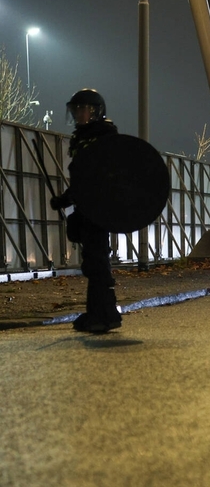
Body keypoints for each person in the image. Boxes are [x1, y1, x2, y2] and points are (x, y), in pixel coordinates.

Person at [50, 88, 122, 333]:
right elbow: (81, 178)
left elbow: (100, 176)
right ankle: (99, 312)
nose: (79, 114)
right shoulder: (83, 138)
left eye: (83, 110)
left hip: (99, 206)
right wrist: (66, 200)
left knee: (97, 260)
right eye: (76, 110)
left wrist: (71, 198)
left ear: (95, 112)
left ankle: (103, 314)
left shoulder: (103, 136)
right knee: (93, 259)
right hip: (87, 206)